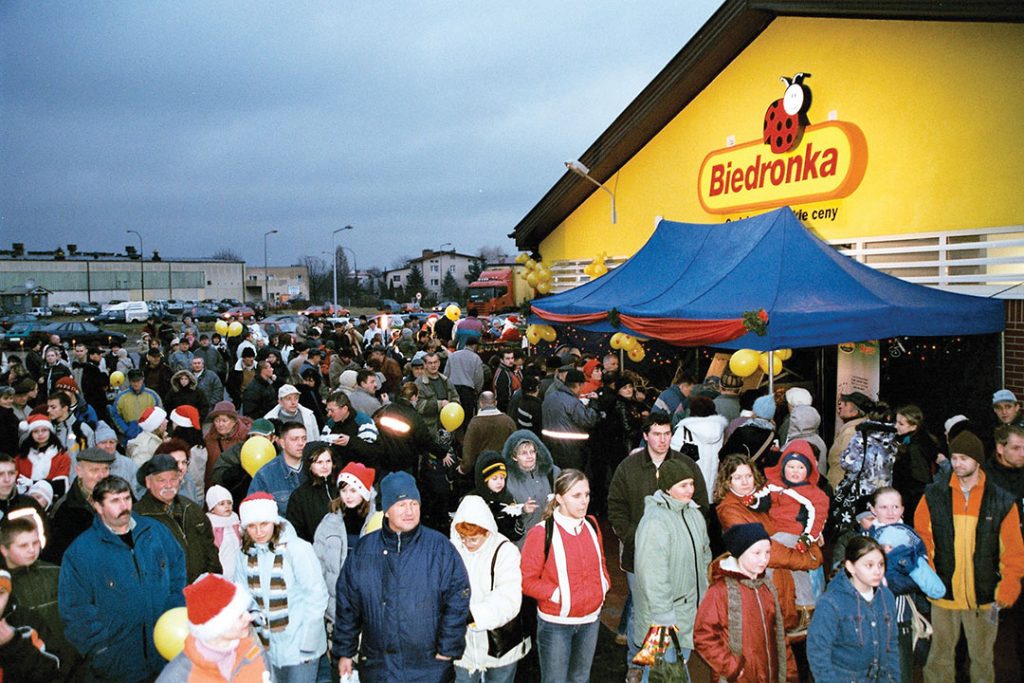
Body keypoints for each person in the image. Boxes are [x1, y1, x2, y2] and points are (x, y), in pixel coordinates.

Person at [333, 471, 471, 682]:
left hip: (429, 668)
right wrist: (345, 651)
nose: (409, 511)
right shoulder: (364, 551)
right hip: (379, 667)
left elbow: (458, 599)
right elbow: (347, 606)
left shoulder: (439, 548)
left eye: (414, 503)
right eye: (401, 504)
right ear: (386, 510)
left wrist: (447, 649)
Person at [914, 429, 1024, 682]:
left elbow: (1014, 550)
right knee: (939, 658)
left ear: (977, 460)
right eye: (954, 457)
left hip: (985, 597)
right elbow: (922, 541)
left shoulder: (1002, 501)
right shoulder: (933, 496)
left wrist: (1008, 586)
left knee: (983, 660)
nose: (957, 463)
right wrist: (929, 578)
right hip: (943, 594)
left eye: (964, 458)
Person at [608, 413, 709, 677]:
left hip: (679, 559)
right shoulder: (628, 468)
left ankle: (655, 667)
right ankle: (638, 663)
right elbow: (615, 506)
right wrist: (634, 536)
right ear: (645, 435)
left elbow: (701, 505)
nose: (662, 440)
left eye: (667, 433)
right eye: (656, 434)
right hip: (635, 556)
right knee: (642, 608)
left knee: (671, 616)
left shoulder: (686, 465)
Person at [58, 475, 187, 683]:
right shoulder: (81, 552)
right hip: (118, 665)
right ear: (98, 506)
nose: (124, 506)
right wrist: (101, 651)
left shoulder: (154, 532)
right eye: (115, 501)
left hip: (165, 655)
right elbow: (75, 611)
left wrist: (174, 608)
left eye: (126, 498)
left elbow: (178, 568)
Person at [713, 453, 824, 633]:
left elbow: (794, 517)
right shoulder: (729, 510)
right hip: (762, 585)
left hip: (784, 583)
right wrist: (808, 558)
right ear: (727, 482)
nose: (745, 482)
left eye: (748, 476)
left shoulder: (765, 497)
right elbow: (761, 548)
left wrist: (811, 533)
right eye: (738, 477)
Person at [520, 469, 610, 683]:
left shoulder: (591, 525)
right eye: (576, 496)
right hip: (556, 624)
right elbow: (525, 580)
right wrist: (557, 594)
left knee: (580, 678)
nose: (584, 501)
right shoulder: (541, 533)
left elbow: (601, 562)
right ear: (559, 498)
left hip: (590, 620)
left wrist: (603, 584)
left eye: (586, 494)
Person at [233, 492, 329, 682]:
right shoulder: (243, 555)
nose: (259, 532)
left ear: (274, 522)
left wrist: (308, 642)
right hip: (266, 647)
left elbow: (316, 595)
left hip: (300, 647)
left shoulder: (297, 549)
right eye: (251, 526)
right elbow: (241, 596)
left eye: (264, 524)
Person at [632, 458, 711, 681]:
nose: (690, 490)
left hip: (688, 611)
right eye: (683, 485)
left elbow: (705, 554)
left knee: (674, 669)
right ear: (667, 488)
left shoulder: (694, 514)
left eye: (691, 484)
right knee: (661, 672)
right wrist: (664, 615)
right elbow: (652, 575)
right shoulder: (655, 522)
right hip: (664, 617)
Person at [694, 522, 795, 682]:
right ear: (740, 553)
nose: (764, 559)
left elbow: (780, 636)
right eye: (757, 553)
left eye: (767, 552)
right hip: (739, 677)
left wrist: (789, 674)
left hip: (771, 675)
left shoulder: (767, 587)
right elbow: (703, 635)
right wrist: (732, 667)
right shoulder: (720, 590)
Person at [450, 494, 530, 682]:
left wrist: (472, 614)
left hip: (501, 647)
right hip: (464, 648)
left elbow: (508, 598)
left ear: (487, 532)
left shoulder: (505, 551)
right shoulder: (451, 551)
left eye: (473, 539)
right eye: (462, 538)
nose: (467, 544)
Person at [807, 536, 900, 682]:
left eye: (881, 564)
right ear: (850, 567)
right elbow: (818, 652)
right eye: (869, 565)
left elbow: (892, 645)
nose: (877, 571)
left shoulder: (886, 597)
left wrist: (894, 679)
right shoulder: (831, 603)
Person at [759, 439, 830, 630]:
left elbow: (819, 517)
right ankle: (806, 611)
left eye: (800, 467)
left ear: (809, 469)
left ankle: (765, 602)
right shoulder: (776, 486)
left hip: (794, 534)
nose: (795, 471)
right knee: (796, 569)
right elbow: (763, 500)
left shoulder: (815, 494)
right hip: (777, 531)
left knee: (767, 556)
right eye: (790, 466)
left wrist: (809, 537)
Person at [0, 515, 79, 680]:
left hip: (69, 666)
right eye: (23, 545)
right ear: (4, 549)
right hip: (27, 670)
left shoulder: (56, 573)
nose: (32, 550)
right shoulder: (3, 588)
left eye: (35, 543)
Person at [156, 573, 270, 682]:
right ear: (217, 627)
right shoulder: (178, 676)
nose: (249, 617)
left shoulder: (255, 653)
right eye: (239, 616)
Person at [134, 452, 221, 583]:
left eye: (173, 479)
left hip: (199, 592)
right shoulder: (138, 517)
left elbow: (210, 551)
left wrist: (211, 582)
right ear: (148, 482)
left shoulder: (192, 509)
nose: (168, 485)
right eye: (161, 480)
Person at [313, 462, 376, 627]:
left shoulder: (375, 522)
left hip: (366, 604)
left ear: (364, 491)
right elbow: (318, 560)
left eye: (353, 490)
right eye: (344, 490)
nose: (348, 496)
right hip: (335, 604)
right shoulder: (329, 521)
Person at [501, 430, 559, 548]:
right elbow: (503, 515)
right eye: (524, 453)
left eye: (532, 451)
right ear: (514, 457)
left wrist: (556, 503)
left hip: (551, 539)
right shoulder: (506, 480)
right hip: (523, 543)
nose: (530, 456)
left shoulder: (552, 473)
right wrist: (523, 510)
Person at [248, 421, 308, 516]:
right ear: (282, 443)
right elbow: (254, 512)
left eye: (304, 439)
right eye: (294, 439)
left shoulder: (315, 466)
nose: (301, 443)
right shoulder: (265, 474)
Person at [670, 394, 728, 491]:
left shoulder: (684, 429)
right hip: (712, 485)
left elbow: (672, 456)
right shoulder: (719, 430)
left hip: (689, 486)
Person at [285, 441, 339, 543]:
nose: (325, 466)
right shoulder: (300, 496)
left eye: (328, 461)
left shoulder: (342, 488)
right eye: (319, 462)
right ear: (309, 465)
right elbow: (295, 531)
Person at [891, 404, 939, 517]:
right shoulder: (909, 442)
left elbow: (920, 479)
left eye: (901, 424)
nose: (895, 426)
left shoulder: (915, 447)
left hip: (912, 504)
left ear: (913, 427)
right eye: (896, 422)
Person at [15, 412, 71, 499]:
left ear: (50, 432)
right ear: (31, 434)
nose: (40, 434)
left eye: (44, 430)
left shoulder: (62, 457)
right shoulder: (20, 458)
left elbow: (61, 486)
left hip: (54, 504)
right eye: (36, 431)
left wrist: (33, 483)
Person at [827, 390, 874, 488]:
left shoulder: (851, 432)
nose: (840, 406)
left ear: (856, 411)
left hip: (842, 487)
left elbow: (847, 465)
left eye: (846, 404)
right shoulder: (860, 428)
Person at [204, 400, 252, 489]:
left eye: (224, 420)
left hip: (239, 489)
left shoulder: (246, 439)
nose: (220, 424)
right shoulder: (209, 439)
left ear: (234, 422)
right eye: (217, 421)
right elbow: (208, 470)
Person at [205, 484, 242, 579]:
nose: (227, 506)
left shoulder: (235, 520)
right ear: (212, 509)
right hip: (221, 567)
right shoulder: (210, 524)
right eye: (221, 504)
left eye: (229, 503)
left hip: (237, 566)